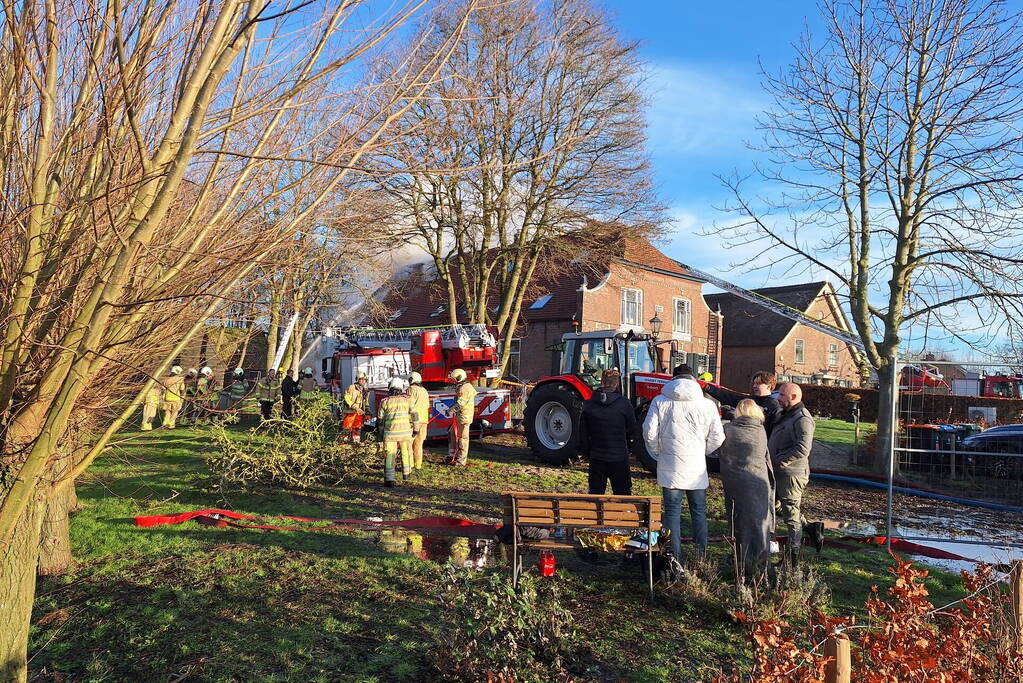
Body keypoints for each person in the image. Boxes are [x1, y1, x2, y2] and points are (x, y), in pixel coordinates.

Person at [643, 376, 724, 559]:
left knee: (672, 512)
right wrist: (702, 450)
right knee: (699, 512)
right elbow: (718, 437)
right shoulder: (707, 404)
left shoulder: (660, 401)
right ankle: (701, 556)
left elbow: (649, 432)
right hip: (696, 468)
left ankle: (674, 556)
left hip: (670, 467)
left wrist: (659, 451)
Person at [768, 382, 824, 563]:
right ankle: (810, 528)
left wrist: (778, 461)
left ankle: (793, 556)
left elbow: (802, 449)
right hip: (778, 471)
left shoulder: (802, 419)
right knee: (777, 506)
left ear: (793, 397)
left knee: (791, 515)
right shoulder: (786, 415)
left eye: (782, 395)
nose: (778, 398)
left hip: (791, 474)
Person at [720, 399, 775, 581]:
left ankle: (741, 561)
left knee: (739, 523)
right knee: (760, 524)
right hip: (758, 482)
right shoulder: (760, 431)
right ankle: (761, 564)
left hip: (735, 483)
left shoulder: (728, 429)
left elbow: (718, 451)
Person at [579, 368, 636, 495]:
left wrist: (588, 452)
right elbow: (633, 428)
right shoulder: (624, 404)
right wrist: (629, 447)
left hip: (597, 456)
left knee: (596, 494)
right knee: (623, 494)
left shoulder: (588, 405)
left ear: (602, 382)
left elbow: (582, 433)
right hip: (619, 456)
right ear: (616, 384)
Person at [700, 370, 782, 436]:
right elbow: (729, 397)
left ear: (769, 385)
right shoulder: (751, 400)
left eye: (758, 384)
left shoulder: (774, 405)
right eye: (754, 383)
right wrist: (708, 387)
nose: (754, 386)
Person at [377, 377, 413, 486]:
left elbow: (380, 420)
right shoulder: (408, 400)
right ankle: (406, 474)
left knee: (389, 455)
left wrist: (382, 433)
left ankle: (389, 480)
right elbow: (415, 416)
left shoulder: (384, 402)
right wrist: (415, 430)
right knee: (405, 452)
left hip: (390, 434)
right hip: (405, 433)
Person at [447, 368, 476, 465]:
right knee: (452, 434)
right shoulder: (462, 386)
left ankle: (461, 460)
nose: (454, 382)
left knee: (462, 439)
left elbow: (460, 404)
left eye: (454, 380)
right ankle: (451, 455)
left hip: (464, 418)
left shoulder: (465, 388)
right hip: (460, 417)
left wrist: (451, 410)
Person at [407, 371, 430, 471]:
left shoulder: (411, 389)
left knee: (409, 443)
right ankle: (418, 465)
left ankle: (410, 465)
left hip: (413, 421)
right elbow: (427, 405)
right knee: (419, 444)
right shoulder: (424, 390)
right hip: (424, 421)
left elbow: (409, 405)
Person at [341, 372, 369, 443]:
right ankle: (343, 445)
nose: (363, 381)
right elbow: (347, 398)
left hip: (359, 413)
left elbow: (366, 402)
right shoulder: (352, 387)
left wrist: (368, 412)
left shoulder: (365, 390)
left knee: (357, 429)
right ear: (357, 379)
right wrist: (355, 407)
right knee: (347, 428)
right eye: (361, 379)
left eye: (364, 380)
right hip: (350, 412)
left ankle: (356, 444)